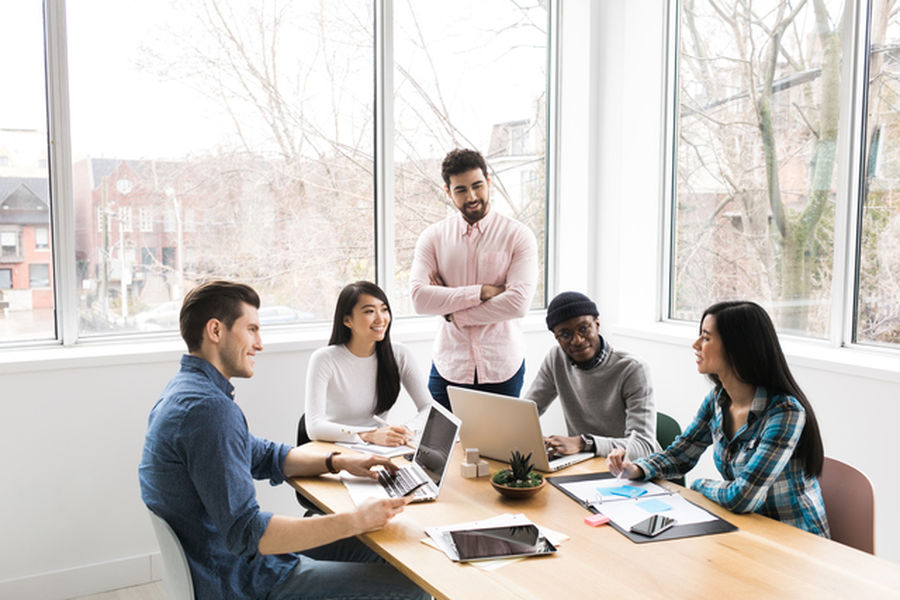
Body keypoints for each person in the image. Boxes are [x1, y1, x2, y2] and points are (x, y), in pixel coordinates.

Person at [138, 281, 428, 600]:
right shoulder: (208, 411)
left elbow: (262, 455)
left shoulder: (186, 394)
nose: (259, 344)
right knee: (414, 587)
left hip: (230, 564)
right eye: (252, 330)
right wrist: (356, 519)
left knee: (383, 546)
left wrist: (338, 461)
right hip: (244, 580)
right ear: (215, 331)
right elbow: (248, 533)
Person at [607, 301, 830, 537]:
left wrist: (700, 484)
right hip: (746, 528)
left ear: (737, 347)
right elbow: (680, 455)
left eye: (705, 338)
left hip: (795, 539)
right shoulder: (717, 400)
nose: (695, 345)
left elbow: (743, 497)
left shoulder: (785, 413)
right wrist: (636, 469)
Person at [409, 148, 538, 410]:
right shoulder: (433, 238)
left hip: (502, 366)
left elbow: (517, 303)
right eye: (461, 190)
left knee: (499, 449)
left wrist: (453, 314)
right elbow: (419, 299)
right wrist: (480, 292)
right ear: (448, 192)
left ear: (488, 182)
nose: (471, 196)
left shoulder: (518, 236)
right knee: (440, 448)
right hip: (449, 366)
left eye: (477, 186)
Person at [523, 291, 659, 460]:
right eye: (565, 334)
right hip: (583, 465)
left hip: (631, 471)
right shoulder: (556, 358)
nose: (577, 340)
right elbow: (526, 412)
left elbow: (643, 447)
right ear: (556, 337)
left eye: (583, 329)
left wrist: (583, 443)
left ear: (597, 324)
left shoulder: (633, 369)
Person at [304, 281, 431, 446]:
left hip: (379, 449)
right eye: (369, 311)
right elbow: (314, 427)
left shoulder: (399, 354)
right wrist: (369, 435)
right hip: (335, 447)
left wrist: (406, 429)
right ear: (347, 320)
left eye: (384, 309)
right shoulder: (324, 359)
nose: (381, 318)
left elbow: (429, 408)